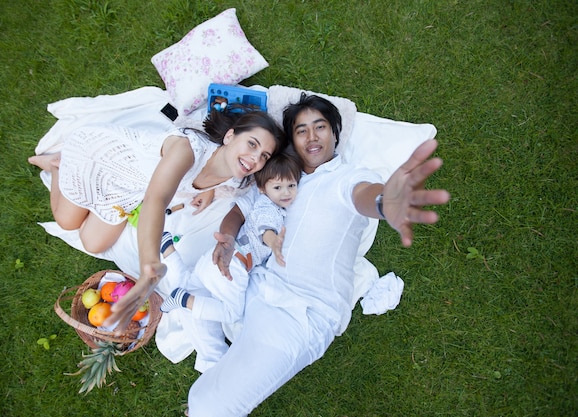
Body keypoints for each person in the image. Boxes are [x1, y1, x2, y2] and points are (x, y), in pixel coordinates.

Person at [107, 93, 449, 416]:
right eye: (301, 130)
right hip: (256, 282)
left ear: (335, 133)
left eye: (321, 127)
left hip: (301, 312)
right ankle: (212, 360)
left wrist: (383, 202)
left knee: (215, 406)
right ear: (292, 141)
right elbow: (242, 208)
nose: (312, 137)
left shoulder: (349, 177)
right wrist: (227, 236)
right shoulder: (285, 178)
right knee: (201, 295)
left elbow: (365, 196)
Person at [28, 104, 288, 257]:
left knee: (93, 244)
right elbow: (156, 199)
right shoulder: (187, 148)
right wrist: (150, 260)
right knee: (66, 221)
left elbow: (219, 183)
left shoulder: (235, 179)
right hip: (100, 157)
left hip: (128, 189)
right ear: (230, 136)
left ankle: (63, 171)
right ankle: (57, 164)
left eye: (263, 155)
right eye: (252, 144)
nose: (254, 159)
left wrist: (210, 190)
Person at [158, 151, 303, 372]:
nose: (286, 193)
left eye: (291, 186)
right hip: (234, 265)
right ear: (263, 189)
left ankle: (169, 253)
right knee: (232, 312)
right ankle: (184, 300)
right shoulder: (269, 209)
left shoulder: (267, 203)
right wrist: (274, 243)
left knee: (192, 280)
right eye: (278, 187)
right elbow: (266, 229)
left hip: (211, 260)